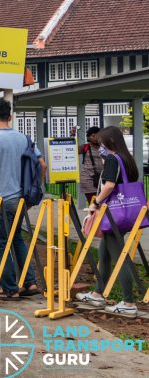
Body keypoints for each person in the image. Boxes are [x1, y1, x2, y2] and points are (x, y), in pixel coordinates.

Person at [0, 99, 44, 300]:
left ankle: (9, 288)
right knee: (16, 239)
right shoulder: (25, 139)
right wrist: (35, 189)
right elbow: (41, 165)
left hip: (0, 200)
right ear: (10, 117)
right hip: (21, 200)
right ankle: (29, 282)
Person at [76, 126, 142, 317]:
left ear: (110, 141)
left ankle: (129, 303)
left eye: (102, 141)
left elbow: (110, 185)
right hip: (125, 212)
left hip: (112, 213)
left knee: (120, 257)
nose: (100, 145)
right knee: (104, 253)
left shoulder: (113, 159)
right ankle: (98, 292)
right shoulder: (127, 159)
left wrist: (95, 202)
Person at [79, 126, 103, 203]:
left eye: (98, 135)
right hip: (88, 178)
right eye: (93, 136)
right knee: (93, 202)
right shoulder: (85, 147)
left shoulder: (104, 147)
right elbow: (71, 149)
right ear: (88, 137)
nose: (96, 138)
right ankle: (93, 214)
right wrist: (72, 135)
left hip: (102, 178)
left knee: (103, 203)